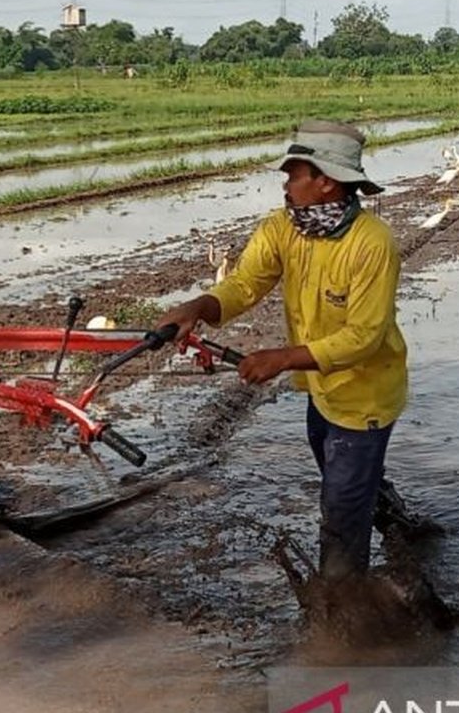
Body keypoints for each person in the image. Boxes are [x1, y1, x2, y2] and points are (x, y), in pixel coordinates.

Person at [157, 119, 428, 580]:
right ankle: (399, 525)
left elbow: (363, 336)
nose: (285, 183)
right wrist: (198, 306)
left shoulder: (372, 245)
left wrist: (281, 357)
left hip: (364, 397)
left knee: (340, 512)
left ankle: (342, 612)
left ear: (325, 182)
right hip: (321, 388)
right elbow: (246, 283)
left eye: (293, 173)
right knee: (343, 481)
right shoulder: (285, 228)